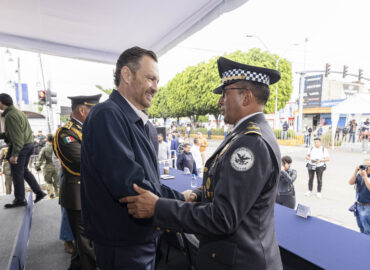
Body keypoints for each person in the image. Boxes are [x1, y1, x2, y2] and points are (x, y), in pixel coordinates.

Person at [122, 57, 283, 270]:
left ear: (246, 97)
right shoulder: (244, 134)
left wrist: (158, 207)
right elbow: (226, 184)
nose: (219, 101)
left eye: (225, 93)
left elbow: (223, 217)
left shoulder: (251, 143)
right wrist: (199, 194)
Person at [80, 46, 184, 270]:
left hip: (139, 238)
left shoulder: (138, 122)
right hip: (123, 243)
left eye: (157, 81)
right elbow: (132, 186)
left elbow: (151, 183)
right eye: (150, 79)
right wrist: (179, 203)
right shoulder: (107, 115)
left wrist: (179, 199)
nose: (155, 88)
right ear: (126, 74)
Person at [53, 94, 101, 270]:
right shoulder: (66, 132)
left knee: (83, 248)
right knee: (86, 245)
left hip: (90, 193)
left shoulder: (90, 129)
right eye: (93, 109)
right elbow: (82, 160)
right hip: (77, 196)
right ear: (82, 110)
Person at [0, 93, 46, 208]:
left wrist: (15, 155)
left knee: (17, 173)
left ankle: (20, 199)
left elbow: (17, 138)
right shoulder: (18, 113)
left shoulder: (10, 115)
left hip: (21, 147)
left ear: (1, 102)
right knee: (24, 171)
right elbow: (14, 133)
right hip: (28, 145)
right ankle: (39, 192)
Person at [348, 160, 370, 235]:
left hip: (367, 207)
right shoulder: (359, 175)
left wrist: (365, 177)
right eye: (363, 165)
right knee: (361, 227)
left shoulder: (364, 176)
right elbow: (350, 182)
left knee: (367, 230)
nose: (364, 168)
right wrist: (355, 171)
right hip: (358, 206)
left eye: (367, 166)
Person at [35, 134, 59, 198]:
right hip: (57, 167)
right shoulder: (57, 147)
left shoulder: (44, 149)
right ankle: (58, 196)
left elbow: (40, 159)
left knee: (48, 182)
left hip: (47, 167)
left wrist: (37, 167)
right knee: (57, 184)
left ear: (47, 139)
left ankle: (51, 195)